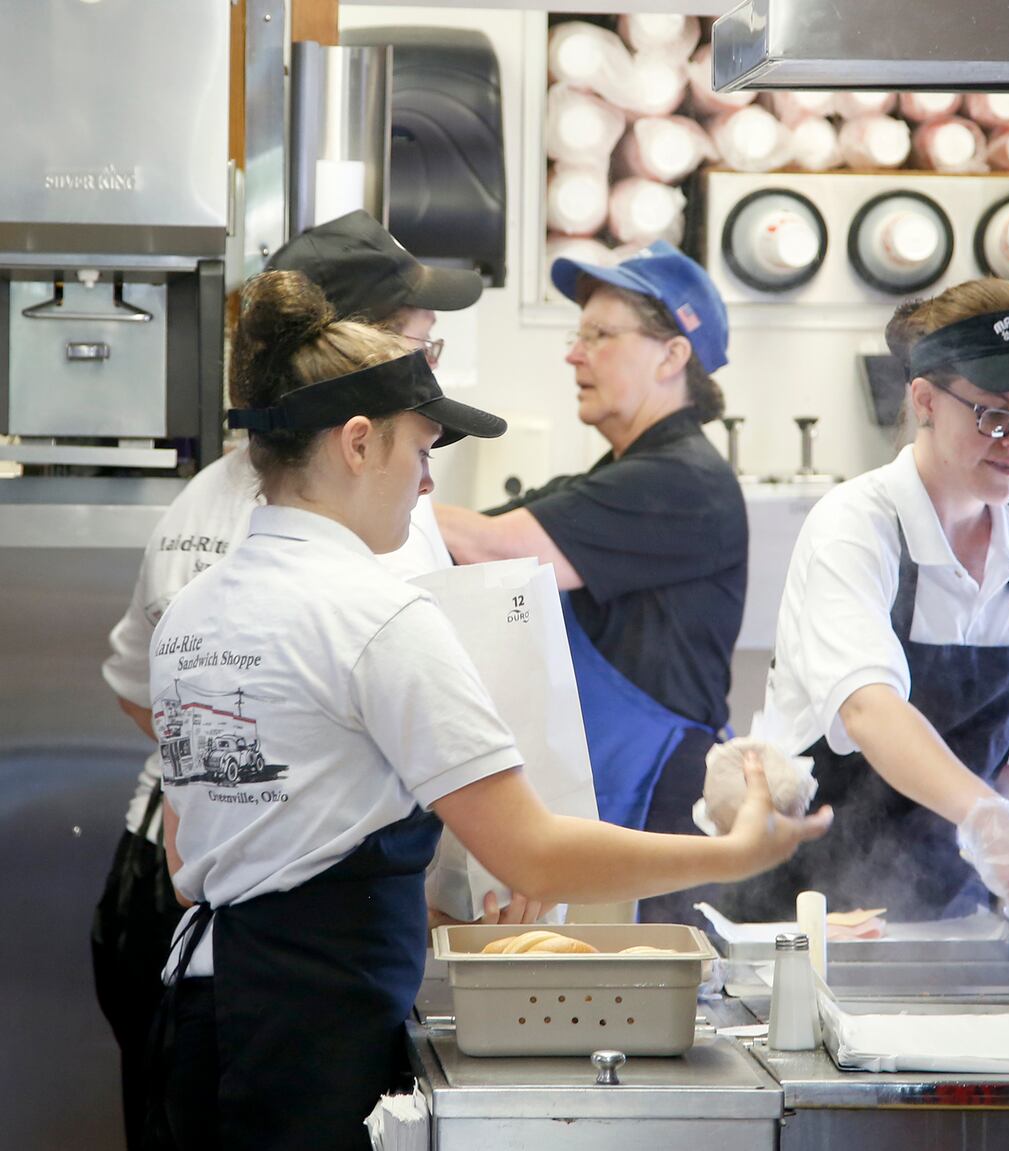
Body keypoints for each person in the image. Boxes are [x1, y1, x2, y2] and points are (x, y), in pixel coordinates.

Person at [144, 270, 829, 1151]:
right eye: (424, 449)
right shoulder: (378, 614)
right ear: (358, 443)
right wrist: (735, 850)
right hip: (313, 1040)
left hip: (200, 1018)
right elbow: (529, 848)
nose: (429, 484)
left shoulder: (197, 610)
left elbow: (198, 847)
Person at [92, 210, 512, 1151]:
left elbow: (137, 684)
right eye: (416, 335)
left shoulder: (205, 497)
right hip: (292, 932)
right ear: (346, 355)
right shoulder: (369, 527)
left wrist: (224, 779)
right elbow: (426, 748)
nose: (429, 357)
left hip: (177, 890)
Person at [717, 279, 1009, 947]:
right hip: (808, 920)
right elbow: (870, 709)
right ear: (925, 399)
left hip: (954, 925)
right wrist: (992, 821)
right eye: (995, 415)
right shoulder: (857, 525)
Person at [434, 242, 746, 921]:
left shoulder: (680, 480)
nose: (575, 355)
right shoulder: (614, 477)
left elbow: (492, 550)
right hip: (613, 804)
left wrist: (365, 493)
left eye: (599, 335)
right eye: (579, 336)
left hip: (658, 810)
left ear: (672, 356)